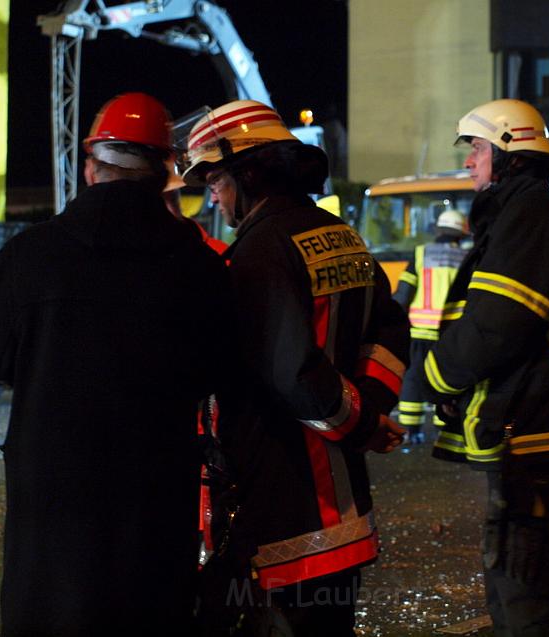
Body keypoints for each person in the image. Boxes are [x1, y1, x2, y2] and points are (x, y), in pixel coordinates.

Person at [0, 92, 233, 636]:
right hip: (155, 504)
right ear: (164, 175)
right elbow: (218, 370)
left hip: (50, 502)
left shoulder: (29, 256)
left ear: (91, 167)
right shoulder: (200, 266)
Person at [181, 99, 410, 636]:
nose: (211, 192)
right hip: (344, 517)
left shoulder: (256, 255)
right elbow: (390, 330)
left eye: (216, 177)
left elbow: (293, 373)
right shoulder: (342, 236)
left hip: (282, 518)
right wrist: (370, 405)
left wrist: (362, 424)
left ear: (251, 171)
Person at [423, 98, 549, 636]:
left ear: (508, 152)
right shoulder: (522, 212)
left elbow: (498, 325)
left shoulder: (528, 214)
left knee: (529, 599)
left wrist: (433, 376)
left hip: (537, 434)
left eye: (477, 148)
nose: (469, 162)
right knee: (523, 589)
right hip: (529, 431)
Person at [393, 209, 470, 443]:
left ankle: (410, 429)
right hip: (451, 334)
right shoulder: (467, 259)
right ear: (461, 234)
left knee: (414, 377)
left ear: (438, 231)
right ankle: (443, 427)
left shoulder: (420, 253)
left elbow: (403, 294)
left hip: (419, 330)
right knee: (446, 378)